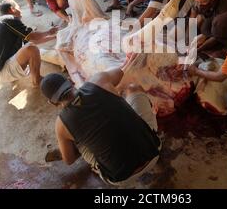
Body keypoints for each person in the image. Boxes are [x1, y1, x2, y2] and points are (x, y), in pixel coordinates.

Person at [40, 57, 161, 185]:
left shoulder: (61, 124)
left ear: (52, 103)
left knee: (78, 141)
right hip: (154, 152)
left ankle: (79, 145)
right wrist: (98, 80)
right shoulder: (98, 81)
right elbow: (119, 72)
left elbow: (69, 160)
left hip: (122, 178)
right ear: (70, 81)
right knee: (133, 87)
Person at [0, 0, 58, 87]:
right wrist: (48, 32)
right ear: (12, 9)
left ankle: (14, 76)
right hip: (1, 72)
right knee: (32, 49)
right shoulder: (9, 19)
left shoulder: (6, 24)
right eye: (19, 7)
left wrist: (55, 36)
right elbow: (32, 37)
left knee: (30, 46)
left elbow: (33, 40)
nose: (21, 11)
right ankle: (37, 80)